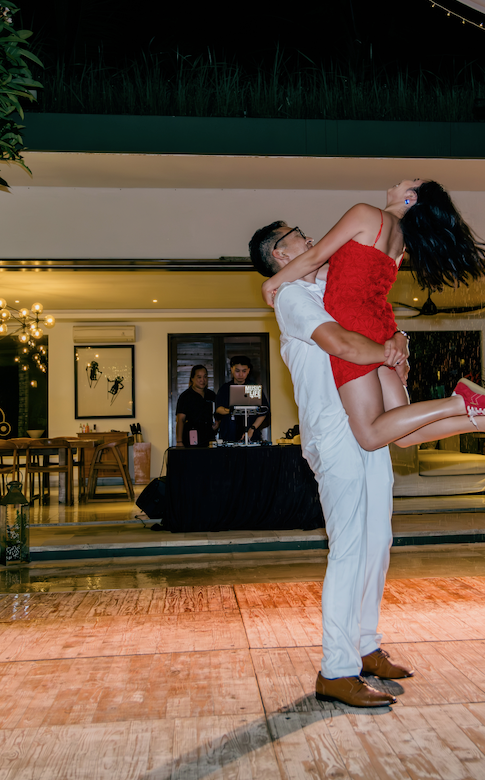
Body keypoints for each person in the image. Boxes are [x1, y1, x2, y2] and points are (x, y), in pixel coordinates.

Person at [249, 219, 415, 709]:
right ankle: (336, 670)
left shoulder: (328, 284)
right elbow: (342, 343)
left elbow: (373, 312)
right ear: (280, 255)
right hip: (334, 431)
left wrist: (397, 334)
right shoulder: (291, 297)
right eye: (296, 236)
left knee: (377, 538)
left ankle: (365, 646)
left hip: (368, 420)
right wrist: (388, 352)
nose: (309, 238)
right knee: (349, 547)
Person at [260, 181, 485, 463]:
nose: (401, 180)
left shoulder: (364, 213)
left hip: (354, 325)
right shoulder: (402, 240)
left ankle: (461, 401)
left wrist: (272, 283)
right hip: (381, 326)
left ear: (410, 197)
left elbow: (315, 258)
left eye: (411, 181)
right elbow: (334, 272)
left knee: (369, 436)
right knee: (403, 435)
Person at [213, 355, 269, 443]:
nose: (241, 374)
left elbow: (264, 412)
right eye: (237, 371)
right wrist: (233, 411)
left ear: (248, 370)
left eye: (244, 371)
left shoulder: (254, 388)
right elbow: (218, 409)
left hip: (252, 436)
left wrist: (252, 429)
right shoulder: (225, 388)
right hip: (229, 435)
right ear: (231, 369)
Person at [174, 364, 216, 447]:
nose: (202, 380)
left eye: (205, 377)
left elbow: (217, 413)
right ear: (192, 378)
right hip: (191, 436)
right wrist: (179, 441)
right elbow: (180, 420)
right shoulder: (185, 396)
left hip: (209, 437)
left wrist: (217, 423)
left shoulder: (211, 395)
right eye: (199, 377)